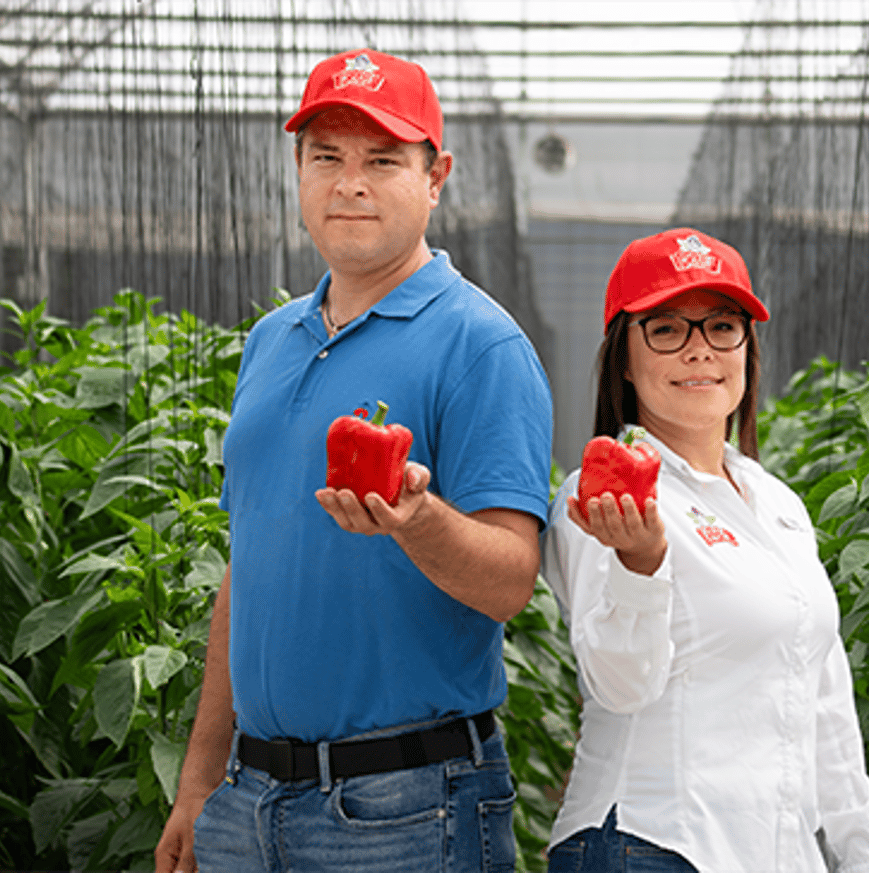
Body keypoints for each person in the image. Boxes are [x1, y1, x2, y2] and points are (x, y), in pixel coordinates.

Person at [154, 48, 552, 873]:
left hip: (408, 808)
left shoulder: (481, 345)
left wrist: (419, 521)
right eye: (326, 156)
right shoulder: (272, 341)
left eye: (382, 160)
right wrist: (198, 783)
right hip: (248, 799)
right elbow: (249, 564)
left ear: (436, 176)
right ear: (298, 168)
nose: (350, 183)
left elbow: (511, 578)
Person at [541, 229, 869, 873]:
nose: (699, 350)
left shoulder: (776, 502)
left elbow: (825, 701)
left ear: (747, 351)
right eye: (666, 329)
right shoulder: (605, 496)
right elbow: (618, 686)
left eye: (722, 327)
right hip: (652, 843)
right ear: (623, 356)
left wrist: (860, 855)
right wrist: (639, 567)